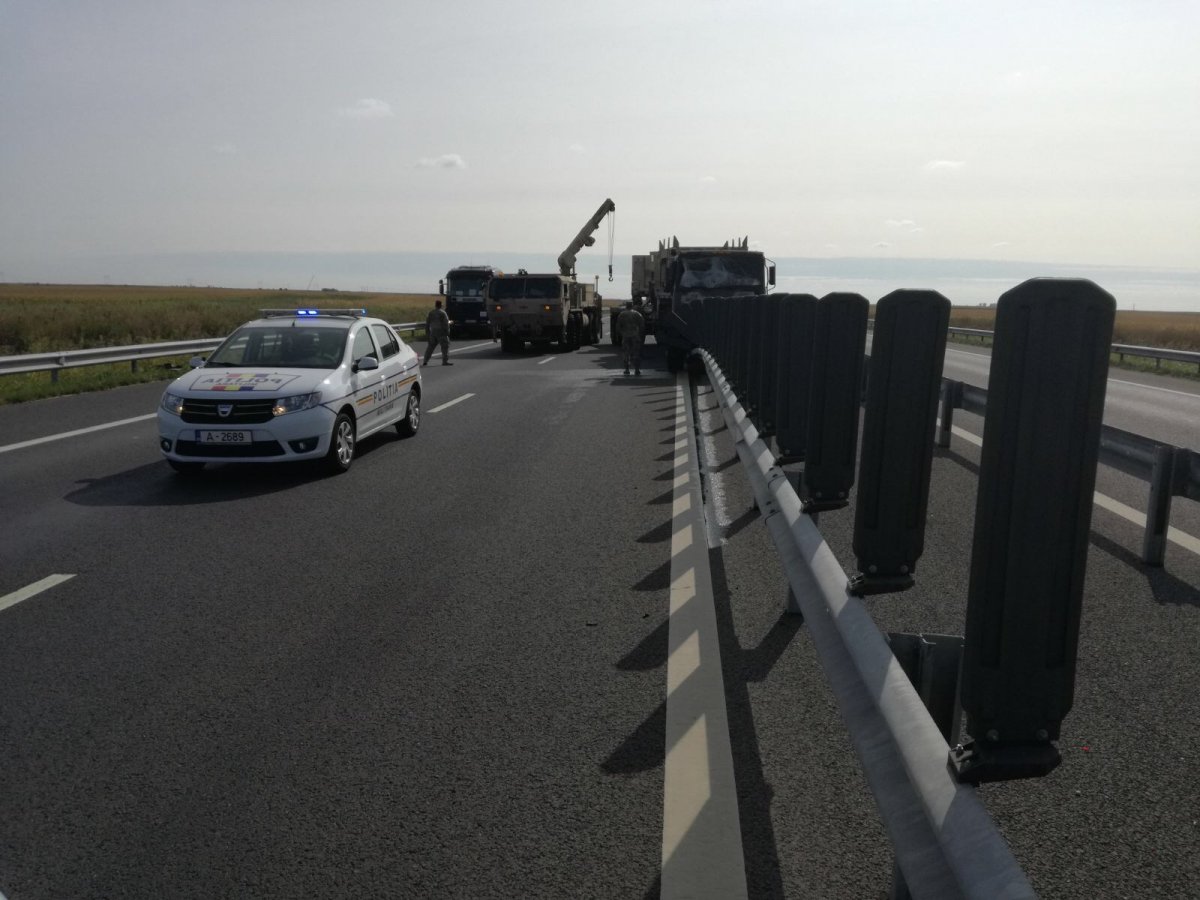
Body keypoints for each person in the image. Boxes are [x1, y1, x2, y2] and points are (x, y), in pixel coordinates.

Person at [615, 300, 645, 376]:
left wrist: (622, 333)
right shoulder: (637, 314)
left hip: (626, 335)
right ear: (632, 306)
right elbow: (642, 325)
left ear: (626, 306)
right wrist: (639, 334)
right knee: (636, 352)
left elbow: (618, 326)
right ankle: (637, 370)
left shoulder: (622, 314)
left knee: (626, 353)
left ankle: (627, 369)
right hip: (635, 335)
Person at [424, 299, 452, 366]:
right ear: (440, 305)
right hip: (441, 332)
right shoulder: (442, 313)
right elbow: (446, 323)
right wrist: (447, 331)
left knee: (430, 347)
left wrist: (427, 332)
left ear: (435, 305)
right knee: (445, 347)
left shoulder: (431, 313)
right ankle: (445, 361)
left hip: (433, 332)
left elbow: (427, 323)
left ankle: (425, 360)